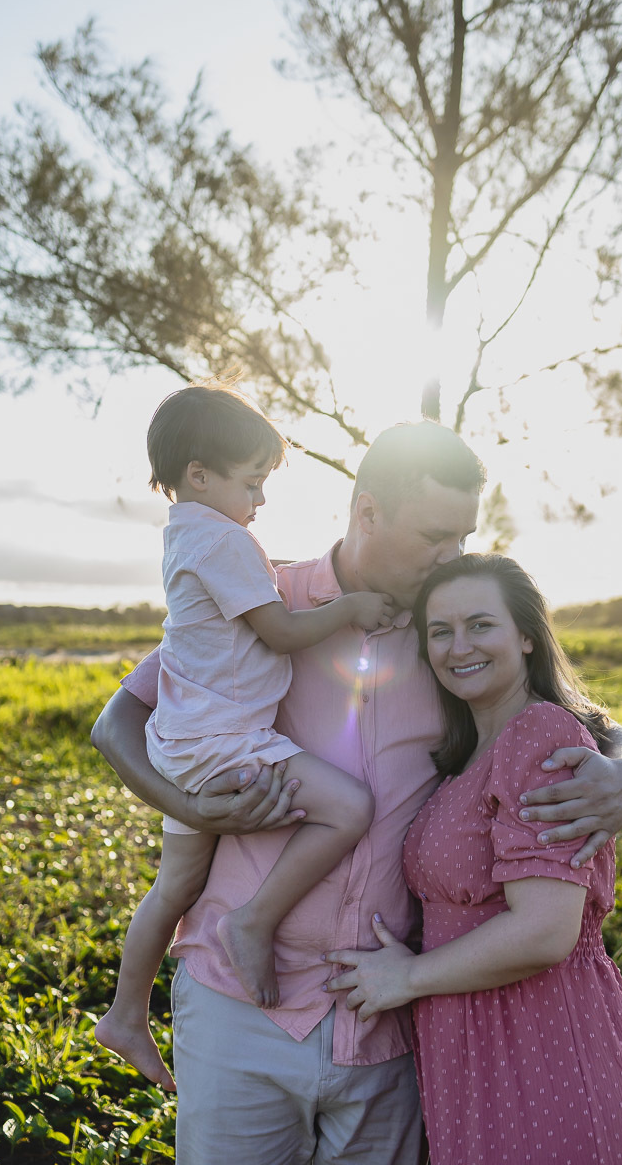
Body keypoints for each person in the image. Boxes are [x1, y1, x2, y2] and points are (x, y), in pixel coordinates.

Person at [91, 420, 622, 1165]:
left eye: (463, 536)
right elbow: (117, 720)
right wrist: (188, 807)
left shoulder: (448, 639)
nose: (451, 555)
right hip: (241, 1002)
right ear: (367, 513)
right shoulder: (264, 600)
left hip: (386, 1014)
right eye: (434, 535)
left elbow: (562, 714)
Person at [95, 386, 392, 1091]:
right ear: (200, 475)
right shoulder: (224, 539)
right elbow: (282, 631)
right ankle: (253, 922)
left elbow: (249, 591)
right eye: (251, 481)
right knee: (348, 807)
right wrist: (350, 606)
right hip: (227, 741)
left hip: (185, 742)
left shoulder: (189, 535)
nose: (259, 499)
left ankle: (125, 1013)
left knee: (174, 887)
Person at [325, 553, 622, 1164]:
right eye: (441, 631)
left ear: (527, 636)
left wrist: (406, 978)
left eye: (481, 625)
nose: (459, 647)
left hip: (543, 1042)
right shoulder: (468, 754)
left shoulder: (539, 734)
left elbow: (543, 931)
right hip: (470, 1048)